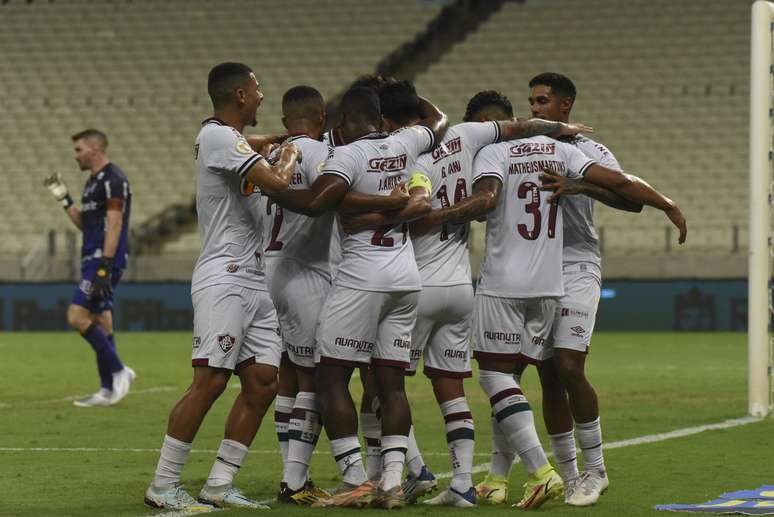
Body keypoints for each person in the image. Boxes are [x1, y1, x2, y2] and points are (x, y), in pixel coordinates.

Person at [469, 110, 686, 509]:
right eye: (532, 100)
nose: (536, 108)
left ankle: (596, 470)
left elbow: (627, 200)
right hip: (538, 271)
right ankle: (561, 477)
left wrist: (579, 186)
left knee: (568, 366)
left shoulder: (588, 150)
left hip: (578, 265)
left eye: (545, 100)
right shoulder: (522, 150)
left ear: (565, 106)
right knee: (541, 374)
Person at [271, 86, 446, 509]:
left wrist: (270, 186)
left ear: (343, 123)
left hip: (352, 275)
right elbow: (437, 121)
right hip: (405, 277)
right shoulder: (406, 142)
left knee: (326, 375)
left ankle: (352, 477)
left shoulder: (338, 156)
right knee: (389, 382)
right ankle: (390, 478)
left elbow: (319, 202)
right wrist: (402, 94)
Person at [143, 62, 300, 511]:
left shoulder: (226, 140)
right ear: (238, 95)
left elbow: (247, 145)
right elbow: (279, 184)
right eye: (257, 88)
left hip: (255, 279)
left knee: (263, 382)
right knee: (210, 381)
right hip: (224, 277)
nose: (262, 95)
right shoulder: (216, 136)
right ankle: (163, 484)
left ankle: (219, 482)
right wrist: (289, 155)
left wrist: (268, 142)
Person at [261, 85, 335, 505]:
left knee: (286, 372)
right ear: (321, 117)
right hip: (305, 271)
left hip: (266, 268)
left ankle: (289, 467)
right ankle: (295, 480)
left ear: (286, 119)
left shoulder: (272, 155)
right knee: (315, 376)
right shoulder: (321, 153)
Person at [44, 129, 135, 407]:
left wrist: (105, 265)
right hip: (92, 257)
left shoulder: (114, 180)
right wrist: (65, 200)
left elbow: (115, 223)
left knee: (76, 315)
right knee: (101, 321)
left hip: (102, 260)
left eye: (79, 150)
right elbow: (87, 224)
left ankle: (120, 370)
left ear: (95, 148)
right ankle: (107, 390)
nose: (76, 156)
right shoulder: (91, 183)